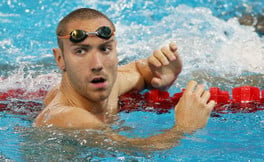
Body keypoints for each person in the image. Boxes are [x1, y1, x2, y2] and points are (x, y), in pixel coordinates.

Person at [34, 8, 216, 150]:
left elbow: (137, 70)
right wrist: (184, 128)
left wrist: (162, 76)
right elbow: (130, 149)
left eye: (105, 49)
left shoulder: (107, 83)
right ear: (60, 59)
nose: (97, 64)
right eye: (80, 51)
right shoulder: (66, 116)